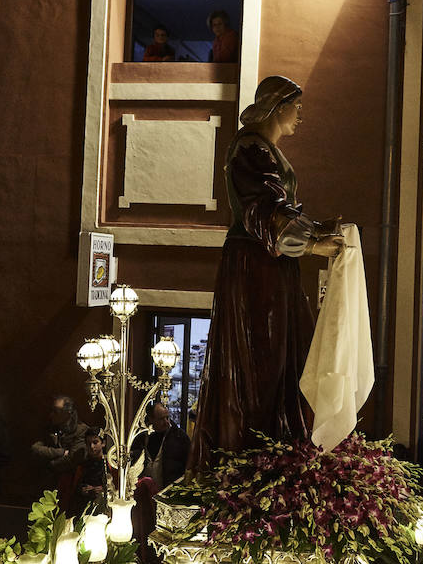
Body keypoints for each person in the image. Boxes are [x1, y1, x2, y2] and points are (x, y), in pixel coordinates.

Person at [188, 75, 344, 469]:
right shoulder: (250, 149)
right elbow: (263, 210)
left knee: (282, 353)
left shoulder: (262, 149)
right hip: (256, 267)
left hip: (270, 265)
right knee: (262, 357)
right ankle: (255, 453)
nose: (301, 117)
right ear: (278, 107)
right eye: (297, 107)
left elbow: (278, 209)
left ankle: (277, 449)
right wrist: (310, 243)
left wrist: (318, 230)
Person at [30, 396, 88, 494]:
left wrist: (49, 464)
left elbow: (72, 459)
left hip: (71, 484)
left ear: (68, 412)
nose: (51, 415)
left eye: (56, 411)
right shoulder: (51, 428)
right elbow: (35, 449)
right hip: (49, 483)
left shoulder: (82, 430)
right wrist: (60, 452)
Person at [132, 401, 190, 488]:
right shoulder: (141, 436)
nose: (166, 422)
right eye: (161, 419)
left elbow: (189, 464)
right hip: (145, 491)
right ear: (151, 419)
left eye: (167, 418)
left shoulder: (179, 437)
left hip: (169, 490)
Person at [68, 427, 117, 516]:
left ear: (103, 443)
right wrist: (83, 490)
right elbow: (75, 489)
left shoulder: (111, 464)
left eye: (95, 442)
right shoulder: (82, 466)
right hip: (85, 506)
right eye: (88, 443)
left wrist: (103, 489)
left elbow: (116, 487)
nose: (91, 447)